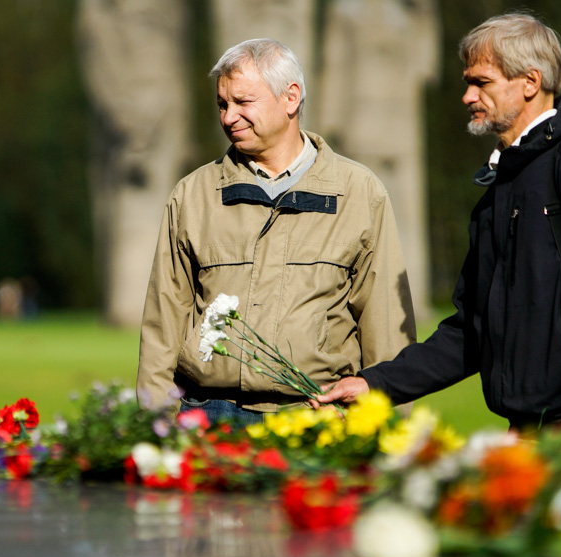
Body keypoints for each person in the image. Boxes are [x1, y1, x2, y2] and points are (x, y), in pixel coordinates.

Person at [317, 13, 561, 450]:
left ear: (530, 82)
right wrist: (374, 384)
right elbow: (471, 332)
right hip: (532, 432)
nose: (466, 96)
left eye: (481, 82)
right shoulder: (501, 184)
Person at [137, 38, 417, 426]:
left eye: (242, 102)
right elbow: (162, 324)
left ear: (291, 98)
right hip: (207, 418)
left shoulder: (360, 192)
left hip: (316, 417)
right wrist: (156, 426)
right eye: (222, 104)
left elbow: (385, 326)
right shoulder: (192, 194)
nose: (228, 117)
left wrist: (388, 428)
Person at [319, 0, 440, 320]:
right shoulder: (343, 7)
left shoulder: (402, 11)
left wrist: (426, 12)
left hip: (401, 121)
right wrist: (326, 126)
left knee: (408, 213)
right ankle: (363, 300)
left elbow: (426, 67)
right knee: (360, 215)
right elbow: (332, 65)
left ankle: (411, 298)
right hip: (361, 118)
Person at [76, 0, 192, 328]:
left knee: (169, 212)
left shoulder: (169, 1)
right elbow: (98, 63)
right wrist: (122, 114)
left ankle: (163, 306)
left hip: (166, 110)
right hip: (127, 114)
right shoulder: (100, 0)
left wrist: (184, 126)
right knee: (126, 211)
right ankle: (126, 307)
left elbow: (176, 64)